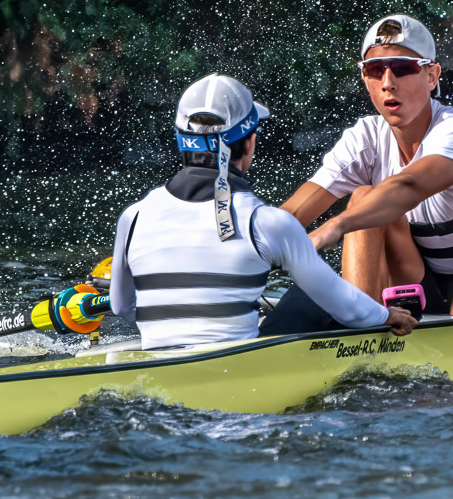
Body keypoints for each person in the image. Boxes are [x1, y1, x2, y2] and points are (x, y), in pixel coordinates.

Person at [108, 75, 414, 349]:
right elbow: (346, 307)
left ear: (181, 141)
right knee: (310, 297)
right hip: (237, 374)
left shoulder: (132, 217)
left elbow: (122, 307)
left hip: (158, 362)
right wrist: (386, 315)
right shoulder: (266, 222)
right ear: (249, 142)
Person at [281, 14, 453, 316]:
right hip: (423, 283)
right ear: (365, 78)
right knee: (364, 198)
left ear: (432, 76)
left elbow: (410, 185)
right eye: (375, 70)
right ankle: (360, 334)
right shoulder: (364, 137)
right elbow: (288, 217)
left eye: (403, 68)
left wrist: (335, 225)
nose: (388, 83)